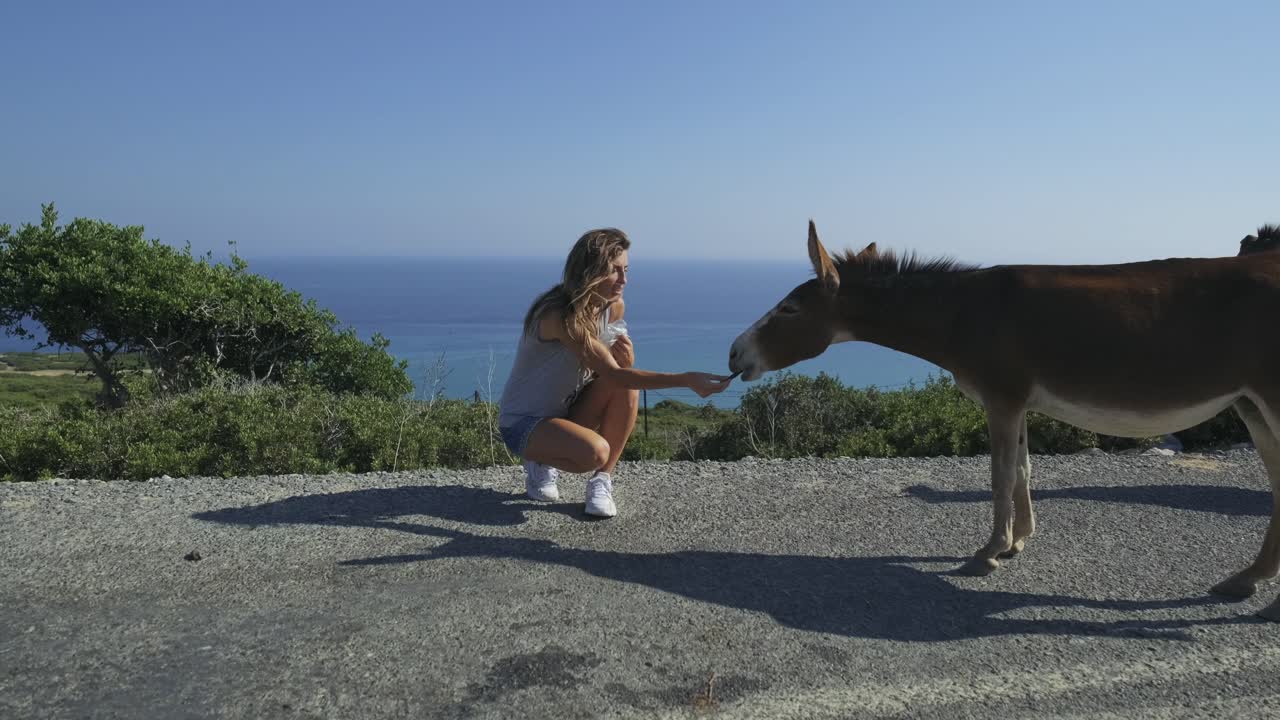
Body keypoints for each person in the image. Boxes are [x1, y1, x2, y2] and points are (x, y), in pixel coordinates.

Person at [498, 228, 733, 517]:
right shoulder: (559, 316)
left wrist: (626, 360)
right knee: (594, 452)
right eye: (614, 270)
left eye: (626, 270)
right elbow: (612, 373)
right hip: (523, 424)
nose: (624, 279)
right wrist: (686, 380)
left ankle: (602, 480)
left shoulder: (613, 307)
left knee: (627, 386)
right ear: (589, 272)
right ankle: (541, 462)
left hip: (566, 413)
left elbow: (615, 373)